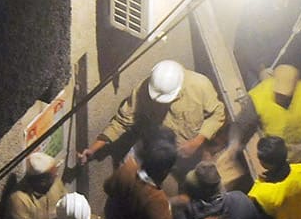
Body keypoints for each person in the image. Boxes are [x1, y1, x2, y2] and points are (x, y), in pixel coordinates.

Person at [78, 60, 226, 187]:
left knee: (189, 185)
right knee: (126, 178)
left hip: (188, 151)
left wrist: (197, 141)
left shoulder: (200, 85)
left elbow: (218, 113)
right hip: (152, 147)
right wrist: (94, 148)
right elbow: (122, 120)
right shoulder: (145, 88)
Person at [227, 63, 301, 165]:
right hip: (274, 158)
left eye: (287, 97)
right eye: (278, 94)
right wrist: (234, 142)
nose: (281, 99)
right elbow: (241, 124)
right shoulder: (259, 95)